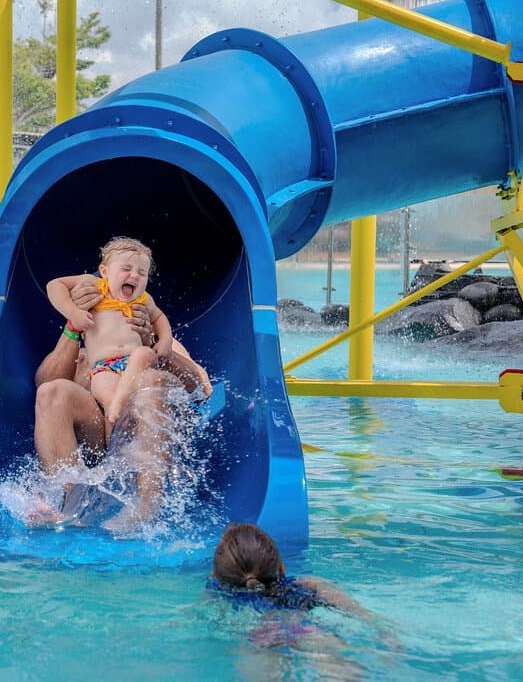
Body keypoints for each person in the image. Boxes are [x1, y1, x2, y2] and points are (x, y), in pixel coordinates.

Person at [34, 277, 211, 530]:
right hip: (101, 434)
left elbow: (200, 387)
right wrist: (74, 324)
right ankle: (67, 504)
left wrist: (153, 346)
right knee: (51, 392)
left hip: (146, 432)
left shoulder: (155, 337)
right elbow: (44, 382)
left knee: (150, 380)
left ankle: (146, 508)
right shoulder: (85, 353)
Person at [47, 237, 174, 425]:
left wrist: (165, 339)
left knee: (144, 353)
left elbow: (159, 317)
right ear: (104, 272)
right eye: (126, 269)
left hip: (134, 361)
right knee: (105, 393)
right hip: (103, 366)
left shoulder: (143, 299)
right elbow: (54, 285)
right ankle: (115, 412)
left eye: (142, 273)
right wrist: (72, 312)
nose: (134, 275)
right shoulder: (95, 286)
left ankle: (124, 405)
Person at [209, 523, 375, 659]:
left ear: (217, 574)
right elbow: (359, 613)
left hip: (261, 636)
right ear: (282, 567)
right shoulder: (308, 584)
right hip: (305, 629)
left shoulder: (217, 591)